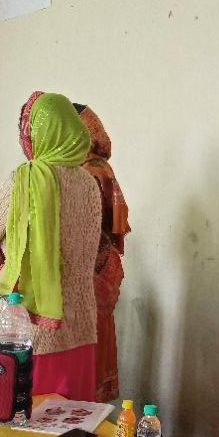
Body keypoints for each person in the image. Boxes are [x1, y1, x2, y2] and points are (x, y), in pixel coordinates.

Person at [0, 91, 101, 402]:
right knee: (72, 424)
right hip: (79, 329)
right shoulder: (89, 183)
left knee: (17, 422)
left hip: (24, 331)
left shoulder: (22, 180)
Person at [74, 103, 130, 403]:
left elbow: (81, 231)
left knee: (87, 353)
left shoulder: (90, 170)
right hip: (89, 269)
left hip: (90, 270)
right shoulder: (81, 168)